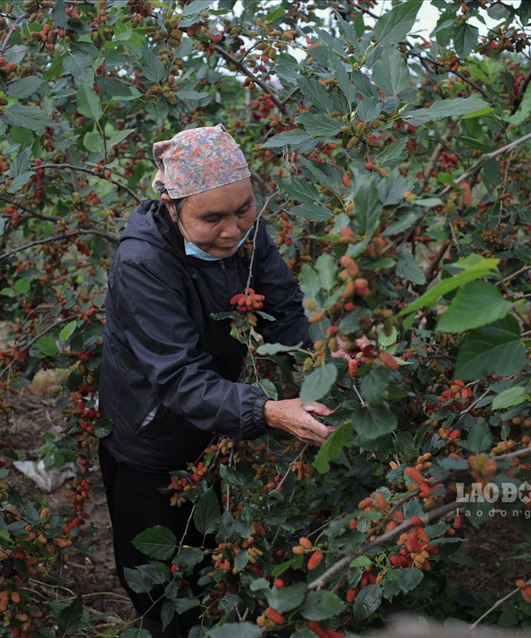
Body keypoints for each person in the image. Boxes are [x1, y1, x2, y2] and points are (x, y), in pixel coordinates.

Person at [98, 124, 332, 637]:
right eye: (212, 218)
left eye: (245, 209)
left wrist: (330, 366)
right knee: (161, 585)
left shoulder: (249, 234)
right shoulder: (142, 264)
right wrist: (268, 411)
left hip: (213, 421)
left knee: (207, 559)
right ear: (171, 208)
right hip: (148, 435)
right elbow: (179, 379)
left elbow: (285, 312)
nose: (233, 230)